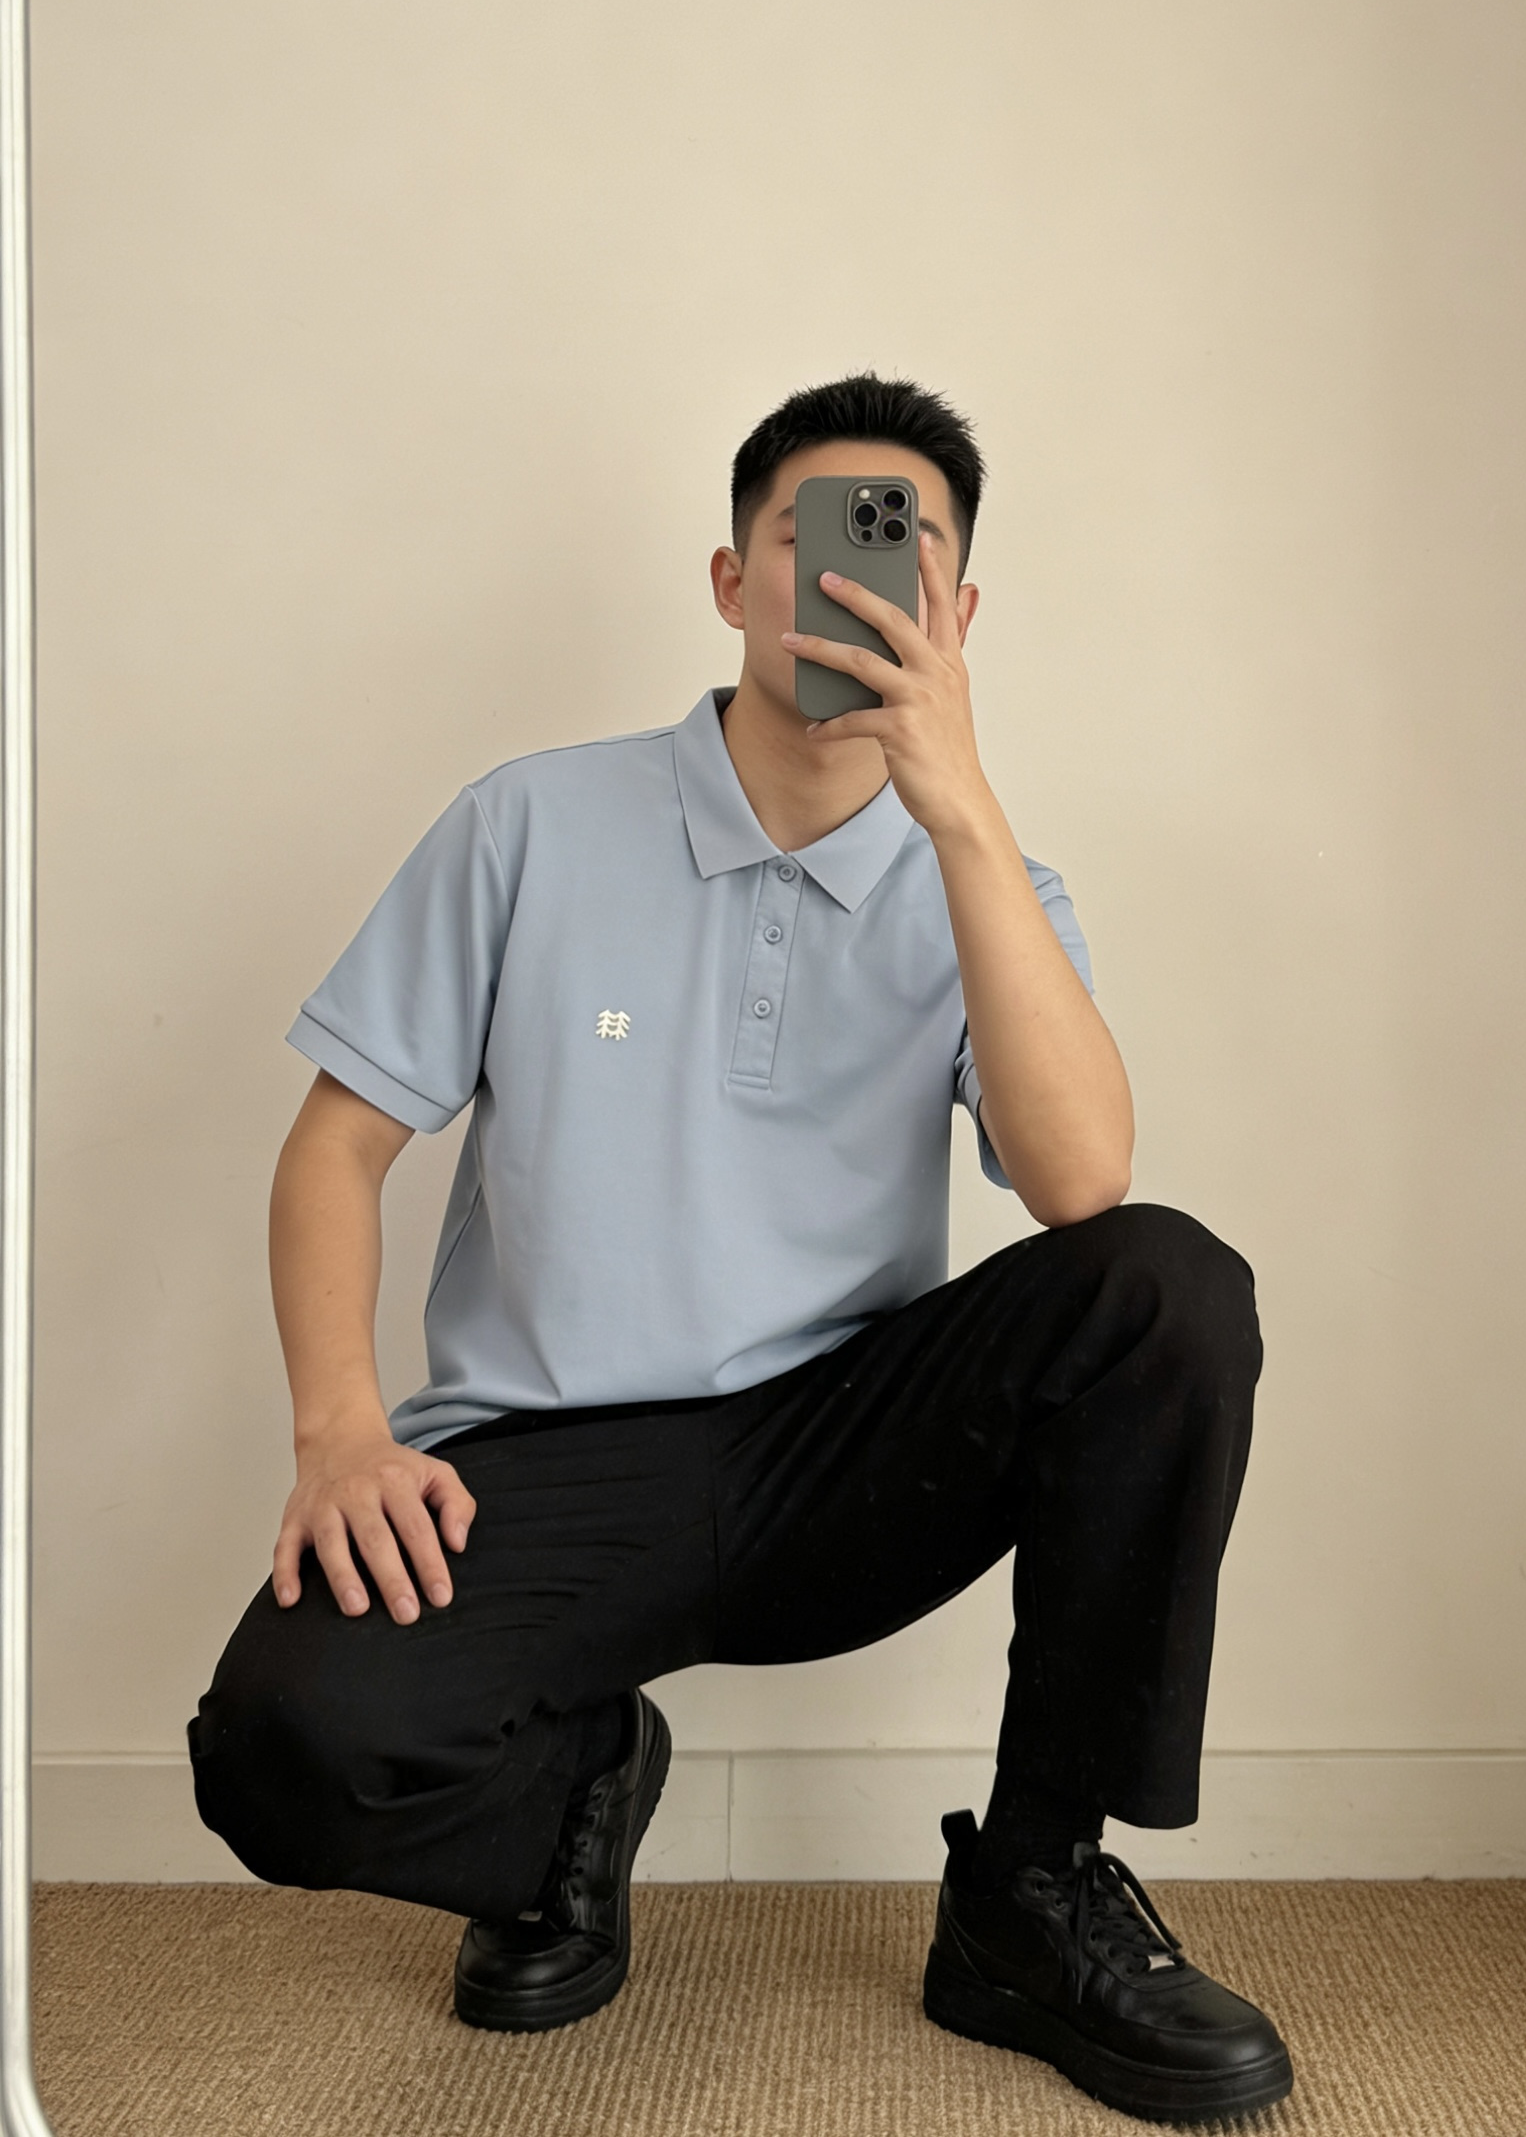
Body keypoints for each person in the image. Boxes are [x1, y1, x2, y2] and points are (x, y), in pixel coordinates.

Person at [188, 372, 1293, 2124]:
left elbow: (1083, 1183)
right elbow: (338, 1146)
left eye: (897, 547)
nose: (847, 581)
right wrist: (339, 1428)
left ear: (958, 609)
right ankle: (575, 1789)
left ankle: (1029, 1888)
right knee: (275, 1747)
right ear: (729, 580)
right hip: (547, 1457)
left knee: (1168, 1288)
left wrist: (962, 806)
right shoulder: (529, 822)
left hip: (839, 1454)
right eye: (808, 538)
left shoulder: (986, 879)